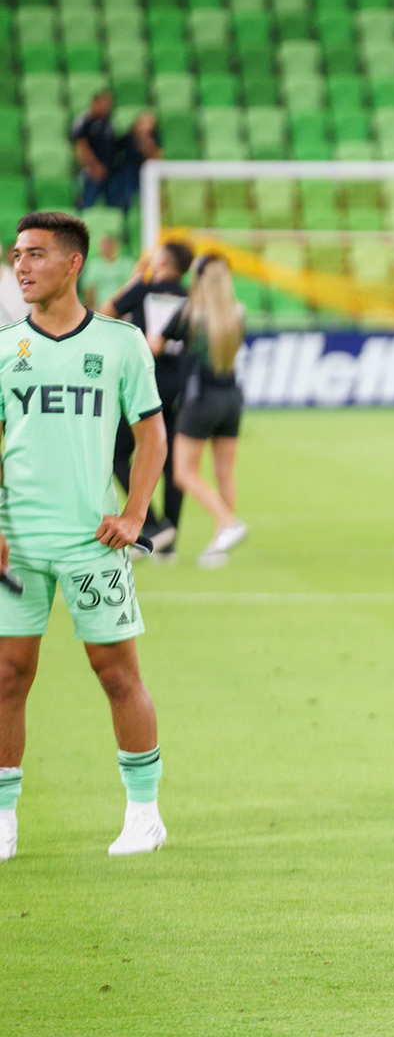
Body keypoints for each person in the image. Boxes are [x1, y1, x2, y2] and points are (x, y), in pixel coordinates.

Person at [0, 212, 172, 862]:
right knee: (7, 676)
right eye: (18, 254)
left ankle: (144, 815)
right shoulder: (4, 347)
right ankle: (3, 819)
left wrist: (135, 514)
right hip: (16, 542)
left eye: (36, 254)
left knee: (117, 674)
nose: (21, 266)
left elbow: (152, 435)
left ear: (73, 263)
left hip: (91, 541)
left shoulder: (121, 344)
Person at [103, 241, 195, 560]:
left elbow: (106, 313)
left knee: (117, 454)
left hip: (143, 386)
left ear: (164, 260)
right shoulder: (190, 298)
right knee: (172, 464)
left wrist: (134, 279)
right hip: (179, 387)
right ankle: (169, 541)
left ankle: (154, 527)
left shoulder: (142, 290)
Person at [164, 255, 248, 568]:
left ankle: (228, 522)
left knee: (184, 472)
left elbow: (156, 342)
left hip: (200, 398)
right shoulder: (237, 313)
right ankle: (218, 546)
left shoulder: (190, 313)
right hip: (232, 396)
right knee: (225, 472)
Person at [71, 91, 126, 211]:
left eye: (109, 104)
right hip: (92, 172)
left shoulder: (109, 122)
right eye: (104, 103)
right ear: (95, 102)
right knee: (87, 204)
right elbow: (80, 145)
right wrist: (94, 166)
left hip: (109, 172)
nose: (107, 107)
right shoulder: (85, 121)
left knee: (113, 206)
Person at [79, 232, 133, 311]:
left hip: (123, 308)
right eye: (103, 244)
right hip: (100, 309)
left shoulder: (126, 264)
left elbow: (130, 286)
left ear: (115, 245)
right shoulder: (94, 265)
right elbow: (89, 289)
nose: (106, 247)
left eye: (108, 244)